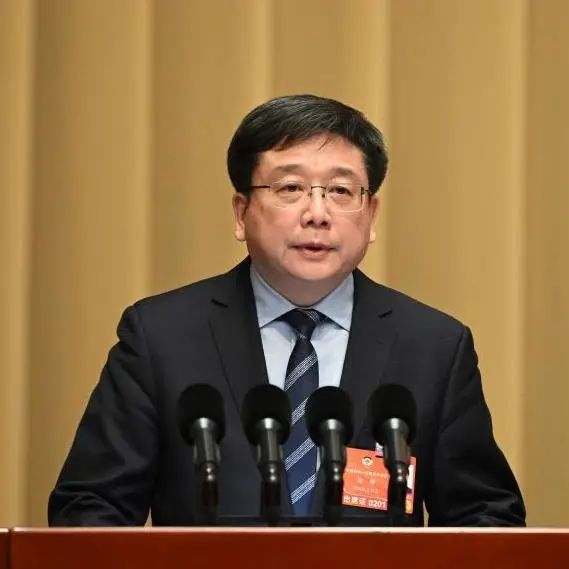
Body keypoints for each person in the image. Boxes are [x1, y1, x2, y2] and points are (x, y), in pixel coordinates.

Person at [49, 94, 525, 527]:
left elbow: (486, 517)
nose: (317, 213)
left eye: (341, 191)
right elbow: (90, 508)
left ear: (371, 216)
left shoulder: (433, 346)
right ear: (241, 213)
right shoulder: (161, 337)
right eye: (291, 188)